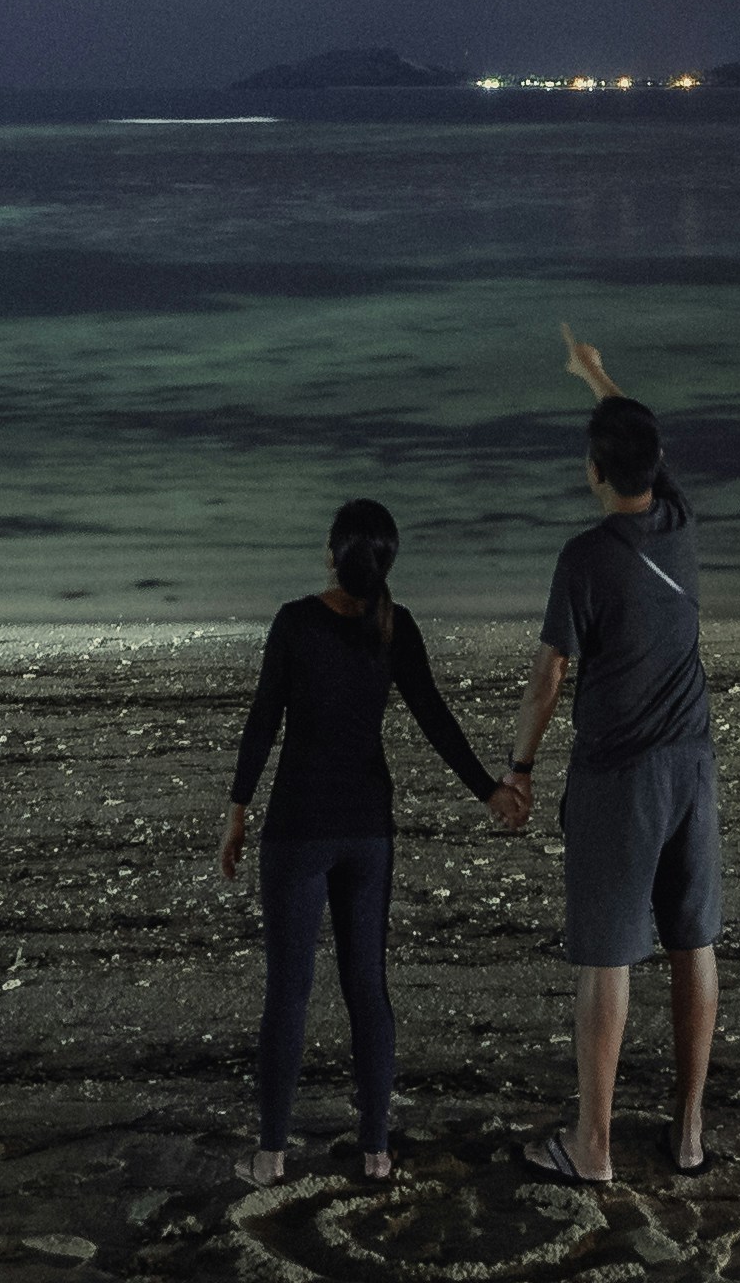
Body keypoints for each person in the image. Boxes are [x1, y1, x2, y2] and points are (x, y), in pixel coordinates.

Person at [219, 495, 527, 1186]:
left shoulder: (296, 623)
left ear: (331, 552)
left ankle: (270, 1156)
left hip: (299, 827)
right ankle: (377, 1153)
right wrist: (490, 790)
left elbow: (263, 720)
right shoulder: (395, 627)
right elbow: (435, 720)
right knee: (368, 988)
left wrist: (237, 809)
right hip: (367, 831)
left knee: (289, 992)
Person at [503, 324, 718, 1185]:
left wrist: (518, 769)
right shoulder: (678, 521)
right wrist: (595, 376)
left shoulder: (585, 559)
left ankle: (593, 1145)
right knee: (692, 945)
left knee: (606, 956)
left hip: (620, 778)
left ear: (593, 473)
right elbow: (642, 444)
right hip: (692, 771)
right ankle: (689, 1133)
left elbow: (548, 679)